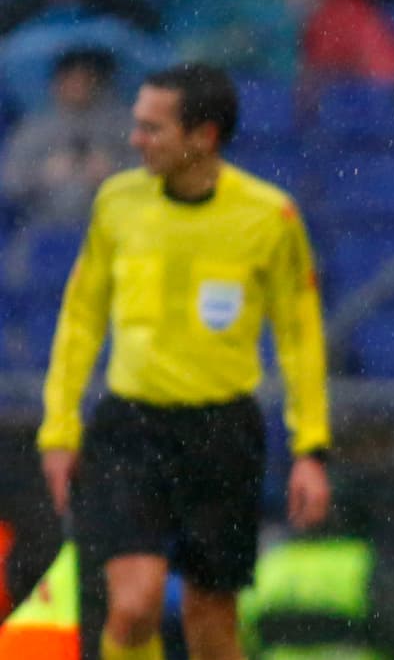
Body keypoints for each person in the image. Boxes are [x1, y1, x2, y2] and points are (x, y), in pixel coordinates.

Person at [36, 63, 332, 660]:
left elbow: (300, 336)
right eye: (137, 125)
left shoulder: (269, 217)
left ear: (204, 137)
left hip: (222, 432)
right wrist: (59, 427)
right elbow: (81, 318)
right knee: (133, 606)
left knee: (213, 621)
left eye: (152, 129)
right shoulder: (117, 203)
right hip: (131, 431)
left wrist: (311, 448)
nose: (134, 140)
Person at [1, 47, 133, 229]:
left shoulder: (122, 124)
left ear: (99, 81)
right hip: (44, 229)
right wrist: (43, 174)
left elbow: (148, 172)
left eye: (86, 79)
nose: (77, 86)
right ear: (57, 82)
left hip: (111, 225)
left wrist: (114, 173)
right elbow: (10, 182)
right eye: (70, 78)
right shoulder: (34, 128)